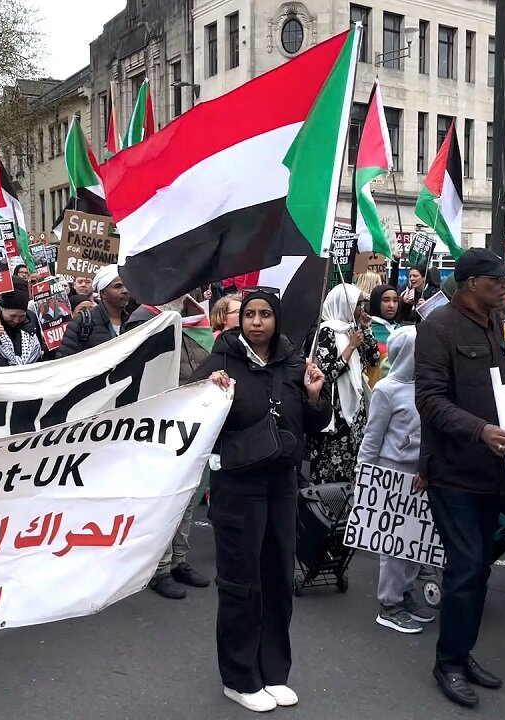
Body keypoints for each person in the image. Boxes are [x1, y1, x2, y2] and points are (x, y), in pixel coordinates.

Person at [198, 289, 329, 712]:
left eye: (265, 315)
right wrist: (211, 393)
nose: (256, 321)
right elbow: (195, 420)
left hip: (282, 484)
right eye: (249, 314)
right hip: (238, 487)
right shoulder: (219, 362)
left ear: (277, 320)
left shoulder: (294, 363)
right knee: (241, 581)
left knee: (276, 576)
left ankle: (273, 671)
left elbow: (314, 422)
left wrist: (312, 394)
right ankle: (239, 677)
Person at [415, 248, 505, 708]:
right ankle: (449, 663)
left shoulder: (494, 326)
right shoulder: (437, 328)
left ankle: (463, 650)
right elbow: (430, 401)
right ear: (472, 282)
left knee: (478, 568)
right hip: (454, 473)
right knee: (465, 567)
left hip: (492, 471)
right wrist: (479, 430)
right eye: (499, 279)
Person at [123, 295, 214, 599]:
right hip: (161, 425)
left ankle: (179, 561)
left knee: (189, 497)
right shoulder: (142, 319)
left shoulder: (198, 317)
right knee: (166, 498)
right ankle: (158, 568)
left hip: (195, 423)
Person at [359, 327, 436, 634]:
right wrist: (366, 477)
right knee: (392, 544)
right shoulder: (386, 390)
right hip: (393, 472)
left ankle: (404, 595)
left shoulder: (429, 386)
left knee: (416, 540)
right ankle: (388, 604)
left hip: (423, 473)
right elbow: (372, 437)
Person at [307, 283, 379, 485]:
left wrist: (366, 328)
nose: (360, 310)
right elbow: (327, 373)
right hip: (334, 410)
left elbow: (373, 358)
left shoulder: (352, 330)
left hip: (355, 409)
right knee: (330, 467)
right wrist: (350, 348)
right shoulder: (325, 332)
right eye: (357, 305)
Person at [57, 265, 137, 357]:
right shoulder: (83, 321)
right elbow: (64, 360)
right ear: (103, 294)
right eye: (118, 286)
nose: (125, 290)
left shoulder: (132, 322)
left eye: (126, 285)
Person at [366, 284, 401, 385]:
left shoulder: (402, 330)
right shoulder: (368, 330)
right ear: (376, 302)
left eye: (395, 300)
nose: (391, 305)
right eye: (386, 300)